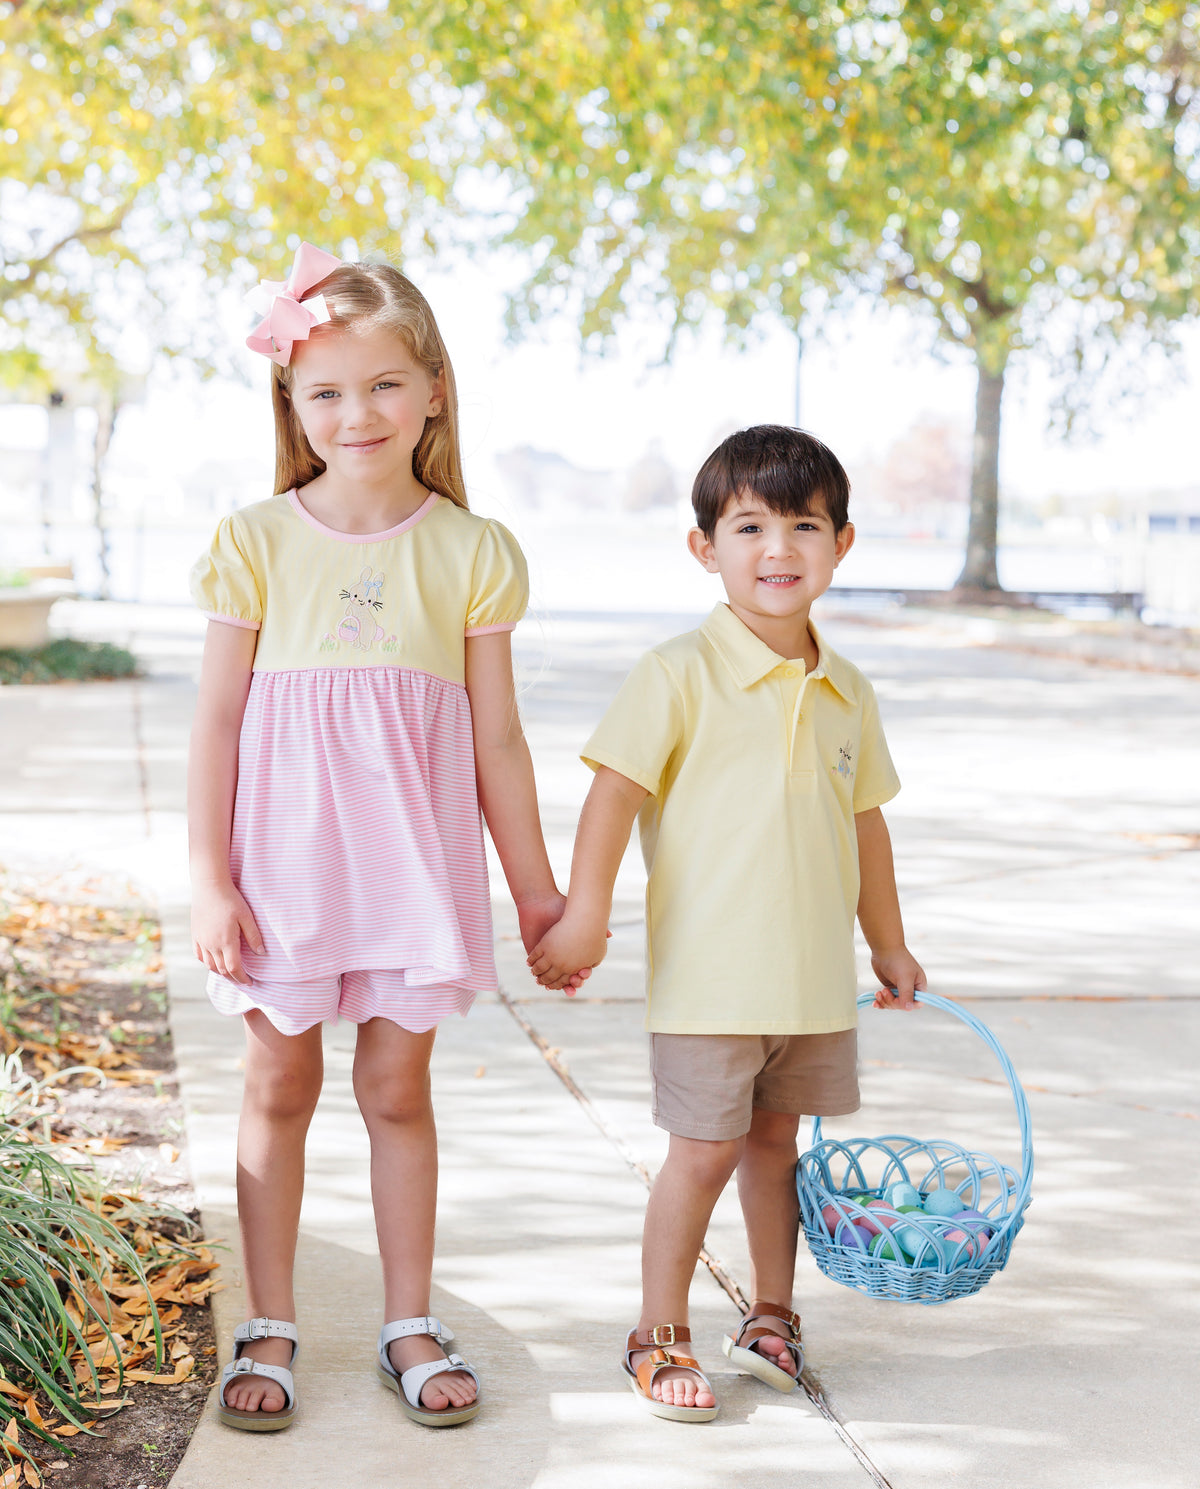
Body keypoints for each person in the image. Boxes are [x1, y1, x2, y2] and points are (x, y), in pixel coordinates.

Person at [188, 242, 579, 1432]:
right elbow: (217, 722)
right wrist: (208, 878)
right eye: (326, 391)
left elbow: (498, 741)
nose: (356, 413)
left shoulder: (473, 551)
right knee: (279, 1080)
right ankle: (270, 1319)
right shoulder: (255, 541)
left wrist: (538, 893)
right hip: (285, 872)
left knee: (398, 1088)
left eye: (383, 385)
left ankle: (409, 1318)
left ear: (434, 392)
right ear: (291, 403)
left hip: (413, 871)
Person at [527, 425, 926, 1422]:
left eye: (805, 525)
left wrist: (888, 942)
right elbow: (614, 794)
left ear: (842, 543)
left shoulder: (847, 689)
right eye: (750, 527)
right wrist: (585, 915)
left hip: (812, 981)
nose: (778, 548)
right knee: (703, 1150)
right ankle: (657, 1330)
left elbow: (865, 826)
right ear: (705, 548)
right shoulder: (677, 671)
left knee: (775, 1147)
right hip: (711, 979)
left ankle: (772, 1313)